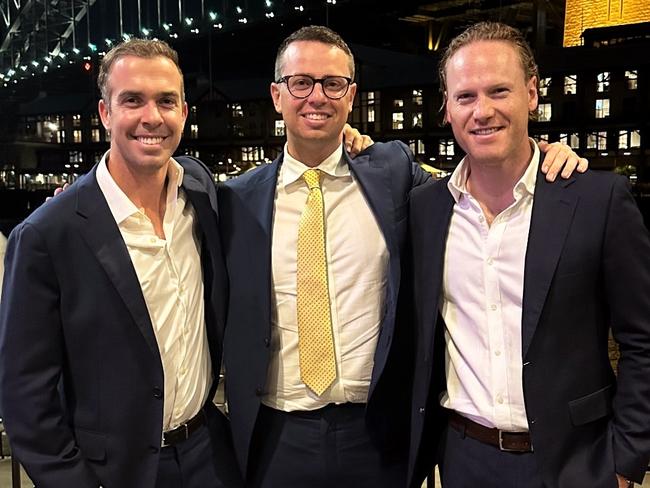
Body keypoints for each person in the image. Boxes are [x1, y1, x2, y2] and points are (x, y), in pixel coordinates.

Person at [218, 25, 585, 488]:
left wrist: (544, 154)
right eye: (301, 82)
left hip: (376, 435)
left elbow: (478, 180)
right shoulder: (233, 200)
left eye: (332, 84)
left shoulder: (391, 174)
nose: (317, 96)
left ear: (351, 96)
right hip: (276, 435)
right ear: (276, 95)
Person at [407, 21, 650, 488]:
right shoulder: (425, 209)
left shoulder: (598, 200)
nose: (483, 111)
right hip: (463, 459)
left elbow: (643, 340)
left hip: (578, 462)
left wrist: (624, 461)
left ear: (533, 93)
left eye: (499, 91)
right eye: (466, 96)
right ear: (447, 109)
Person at [0, 39, 243, 488]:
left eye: (166, 101)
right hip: (116, 472)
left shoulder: (200, 192)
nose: (152, 117)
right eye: (132, 100)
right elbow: (25, 397)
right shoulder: (45, 235)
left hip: (210, 457)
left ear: (184, 113)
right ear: (105, 113)